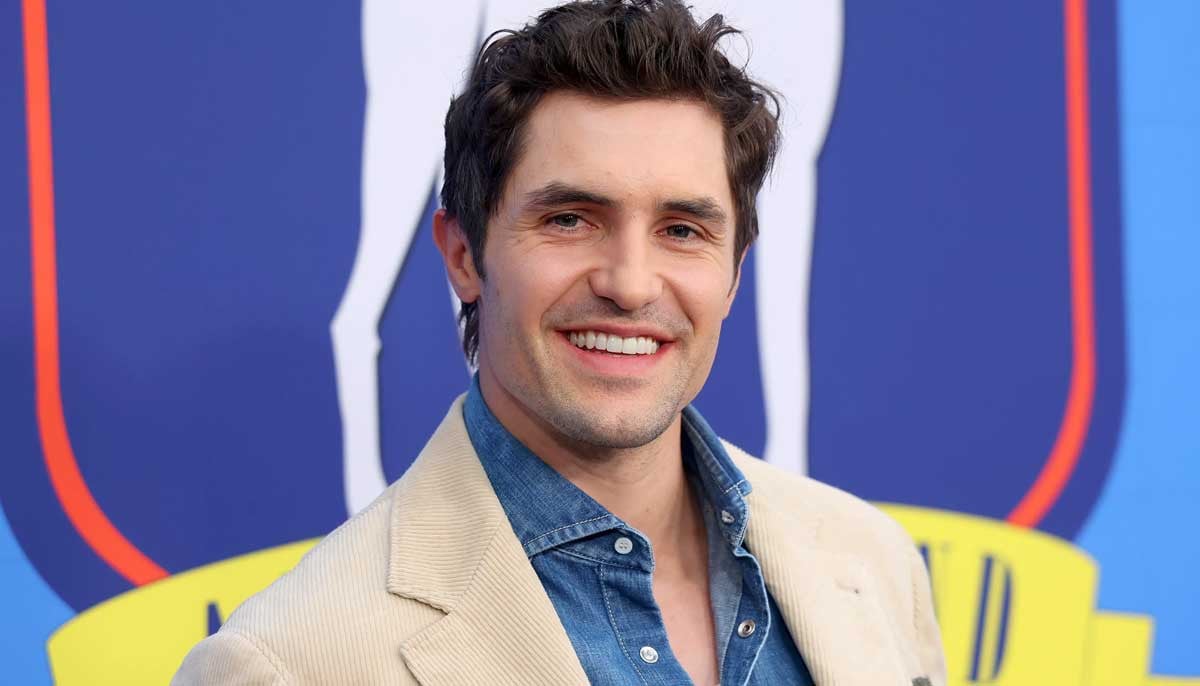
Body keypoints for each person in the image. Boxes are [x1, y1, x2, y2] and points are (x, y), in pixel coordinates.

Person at [174, 1, 945, 684]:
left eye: (682, 230)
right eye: (570, 220)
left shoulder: (875, 567)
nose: (631, 284)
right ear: (463, 255)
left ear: (734, 274)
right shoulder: (287, 665)